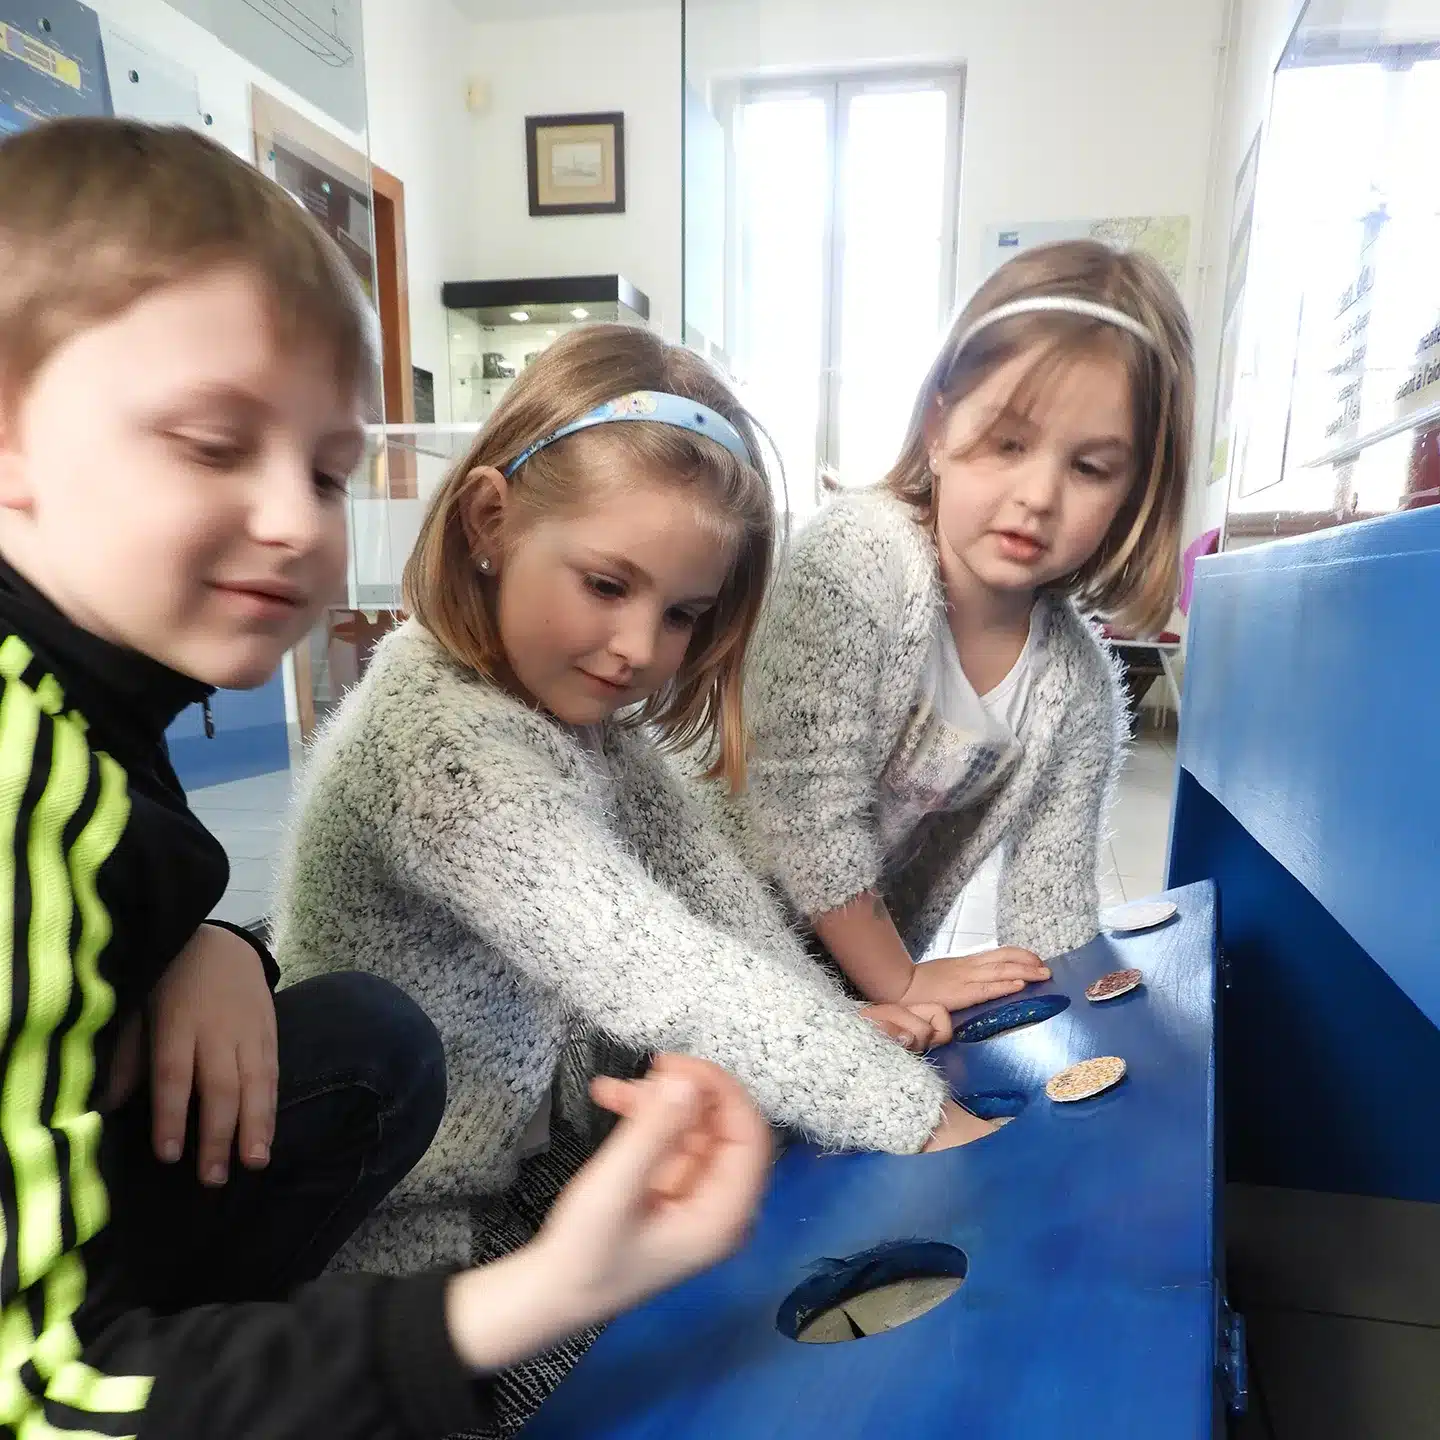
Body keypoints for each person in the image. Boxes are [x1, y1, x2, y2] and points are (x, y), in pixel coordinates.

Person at [0, 115, 771, 1440]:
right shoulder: (31, 786)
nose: (298, 522)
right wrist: (524, 1301)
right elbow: (32, 1396)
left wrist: (211, 945)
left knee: (362, 1040)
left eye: (326, 469)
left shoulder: (94, 697)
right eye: (207, 442)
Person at [273, 324, 991, 1274]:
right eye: (607, 585)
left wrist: (823, 1015)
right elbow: (651, 961)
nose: (638, 649)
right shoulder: (439, 745)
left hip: (527, 1150)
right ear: (489, 524)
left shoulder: (575, 711)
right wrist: (911, 1110)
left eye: (682, 614)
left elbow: (708, 885)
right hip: (405, 1236)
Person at [704, 240, 1194, 1011]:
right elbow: (802, 813)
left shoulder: (1075, 687)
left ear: (1134, 493)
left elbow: (1050, 907)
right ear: (939, 426)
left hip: (840, 989)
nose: (1038, 495)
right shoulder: (855, 559)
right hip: (708, 933)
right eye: (1009, 442)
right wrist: (897, 980)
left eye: (1091, 467)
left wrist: (1082, 1028)